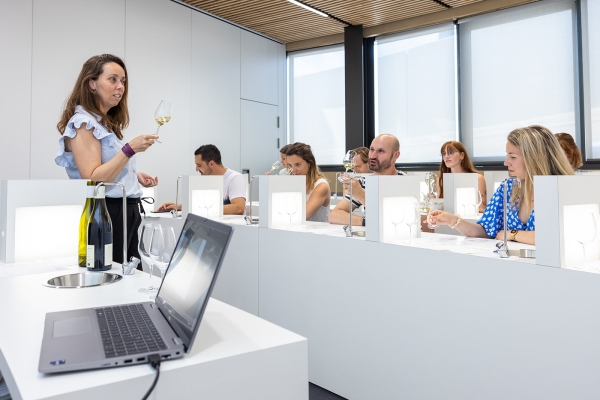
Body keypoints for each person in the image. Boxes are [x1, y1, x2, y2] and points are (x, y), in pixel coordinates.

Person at [55, 54, 158, 265]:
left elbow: (104, 166)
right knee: (115, 277)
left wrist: (132, 174)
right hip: (108, 212)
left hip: (124, 209)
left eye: (123, 81)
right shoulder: (83, 123)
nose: (120, 86)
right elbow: (93, 178)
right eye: (113, 79)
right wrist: (130, 149)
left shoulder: (102, 123)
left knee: (129, 275)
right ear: (92, 83)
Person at [427, 125, 574, 245]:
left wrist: (512, 234)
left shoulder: (560, 190)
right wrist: (453, 220)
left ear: (535, 158)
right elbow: (485, 231)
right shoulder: (508, 188)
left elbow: (556, 237)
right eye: (507, 155)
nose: (506, 162)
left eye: (513, 157)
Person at [329, 134, 406, 225]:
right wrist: (365, 221)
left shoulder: (403, 181)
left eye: (381, 151)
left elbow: (395, 220)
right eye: (372, 149)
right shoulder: (364, 181)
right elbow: (334, 215)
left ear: (395, 155)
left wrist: (361, 196)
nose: (373, 156)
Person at [157, 144, 246, 215]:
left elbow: (239, 208)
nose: (196, 169)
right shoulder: (207, 179)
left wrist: (197, 209)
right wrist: (179, 206)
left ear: (211, 164)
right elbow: (200, 206)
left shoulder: (234, 178)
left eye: (199, 165)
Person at [285, 142, 331, 222]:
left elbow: (303, 215)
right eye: (290, 165)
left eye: (297, 165)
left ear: (309, 163)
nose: (293, 170)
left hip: (316, 233)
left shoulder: (321, 186)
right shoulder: (294, 182)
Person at [437, 141, 487, 212]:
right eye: (444, 154)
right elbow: (440, 208)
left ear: (462, 155)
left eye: (451, 152)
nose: (446, 156)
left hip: (469, 221)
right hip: (447, 221)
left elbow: (482, 208)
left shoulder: (478, 178)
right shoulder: (441, 180)